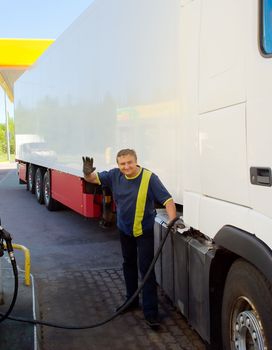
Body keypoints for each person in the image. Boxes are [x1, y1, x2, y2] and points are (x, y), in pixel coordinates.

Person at [82, 149, 177, 328]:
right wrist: (87, 172)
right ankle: (131, 301)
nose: (126, 167)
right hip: (124, 230)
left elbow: (168, 201)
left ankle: (151, 313)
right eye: (122, 164)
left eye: (129, 163)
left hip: (144, 232)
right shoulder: (114, 175)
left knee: (146, 270)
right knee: (128, 264)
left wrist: (172, 222)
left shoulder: (149, 178)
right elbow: (92, 179)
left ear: (136, 161)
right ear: (118, 164)